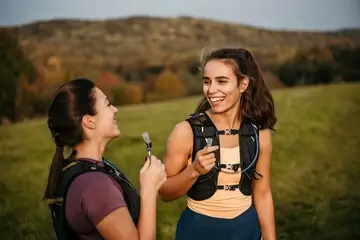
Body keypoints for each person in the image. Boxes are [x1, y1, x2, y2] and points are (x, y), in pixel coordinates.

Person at [159, 47, 277, 240]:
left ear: (243, 84)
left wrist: (270, 237)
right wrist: (194, 170)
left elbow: (262, 193)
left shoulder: (259, 133)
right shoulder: (185, 131)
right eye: (207, 81)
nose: (211, 90)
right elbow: (165, 192)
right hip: (198, 231)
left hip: (246, 230)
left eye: (222, 81)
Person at [43, 78, 166, 240]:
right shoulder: (95, 186)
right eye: (107, 104)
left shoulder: (83, 169)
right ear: (89, 121)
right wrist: (149, 190)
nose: (115, 109)